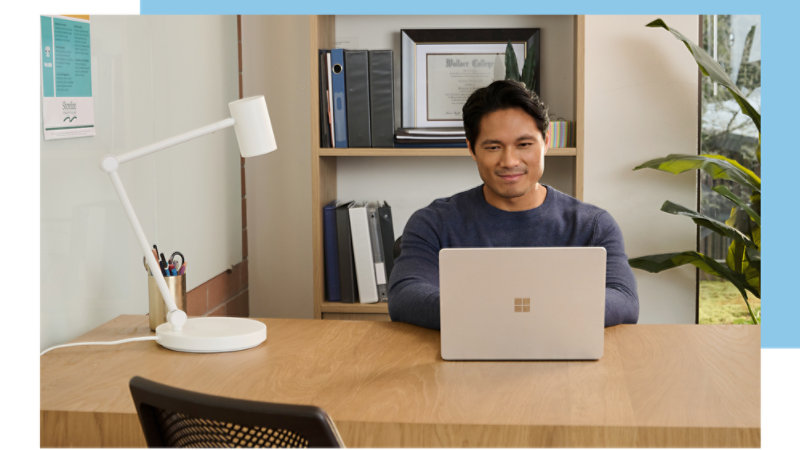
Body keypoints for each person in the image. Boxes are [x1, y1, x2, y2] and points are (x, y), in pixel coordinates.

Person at [387, 79, 639, 329]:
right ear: (472, 149)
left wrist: (527, 313)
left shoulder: (592, 225)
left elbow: (624, 299)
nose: (509, 161)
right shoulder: (433, 222)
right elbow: (405, 294)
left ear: (546, 142)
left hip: (564, 356)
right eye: (494, 146)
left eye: (524, 144)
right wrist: (510, 313)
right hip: (463, 357)